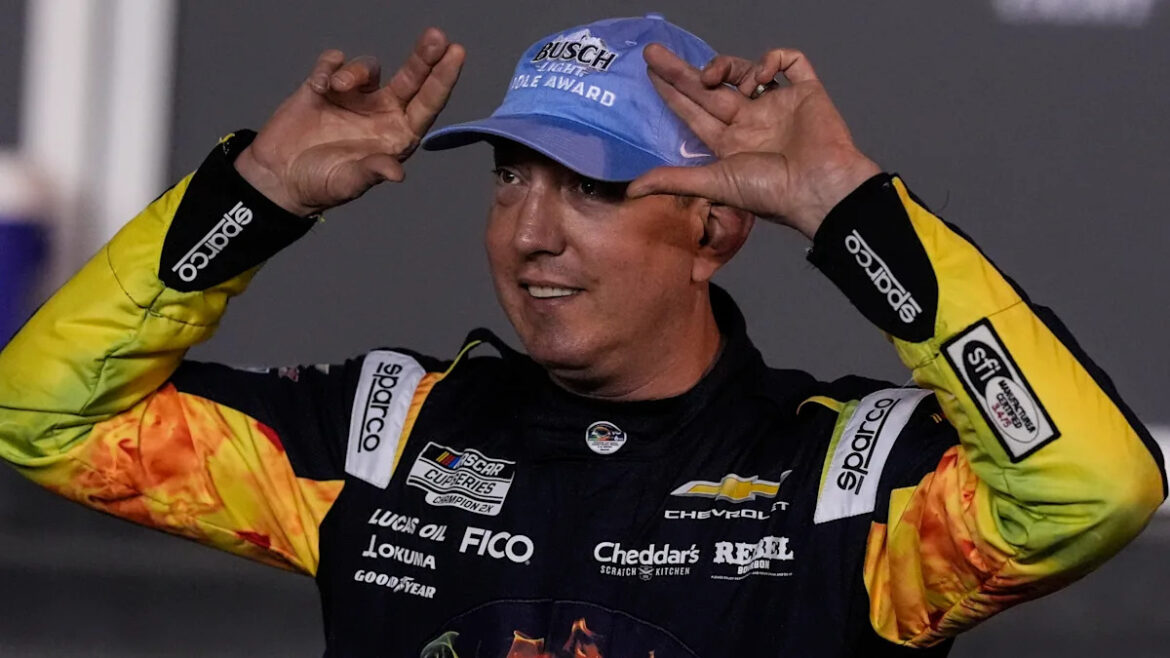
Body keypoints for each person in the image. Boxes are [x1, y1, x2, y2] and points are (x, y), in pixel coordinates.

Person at [0, 13, 1163, 657]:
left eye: (594, 188)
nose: (532, 233)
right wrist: (251, 198)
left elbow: (1091, 489)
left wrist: (853, 213)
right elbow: (43, 414)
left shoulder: (850, 482)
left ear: (714, 226)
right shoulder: (381, 433)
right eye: (511, 177)